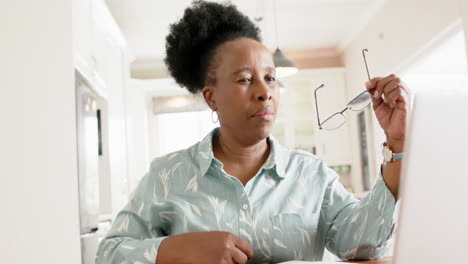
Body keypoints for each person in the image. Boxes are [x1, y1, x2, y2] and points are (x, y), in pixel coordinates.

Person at [96, 1, 409, 263]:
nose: (265, 92)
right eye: (245, 79)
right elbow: (108, 254)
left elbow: (366, 245)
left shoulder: (311, 175)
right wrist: (178, 249)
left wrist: (396, 142)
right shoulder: (166, 176)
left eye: (270, 78)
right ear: (211, 96)